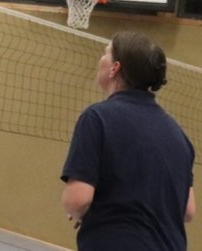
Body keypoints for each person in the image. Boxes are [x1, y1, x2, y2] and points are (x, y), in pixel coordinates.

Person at [61, 31, 196, 251]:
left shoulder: (96, 118)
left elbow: (77, 200)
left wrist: (80, 211)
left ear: (115, 68)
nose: (101, 59)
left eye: (105, 53)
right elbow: (188, 211)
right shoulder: (179, 136)